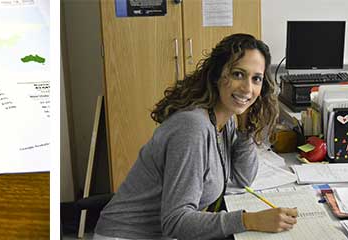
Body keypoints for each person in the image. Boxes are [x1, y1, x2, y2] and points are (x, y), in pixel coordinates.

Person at [93, 33, 293, 239]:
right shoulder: (193, 128)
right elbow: (175, 221)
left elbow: (243, 178)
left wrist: (246, 129)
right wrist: (249, 220)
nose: (247, 88)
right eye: (238, 74)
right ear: (217, 75)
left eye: (256, 79)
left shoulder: (223, 119)